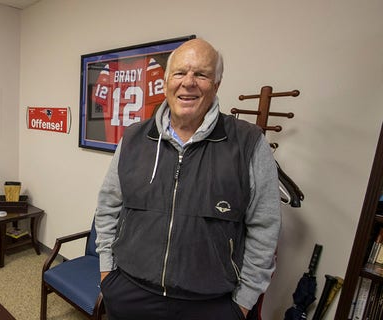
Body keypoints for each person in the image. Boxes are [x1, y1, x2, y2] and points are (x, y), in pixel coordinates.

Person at [94, 38, 281, 320]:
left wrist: (243, 303)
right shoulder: (134, 138)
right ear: (167, 80)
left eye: (201, 74)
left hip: (210, 305)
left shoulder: (249, 143)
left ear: (216, 85)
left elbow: (265, 229)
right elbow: (108, 206)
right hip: (130, 294)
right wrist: (108, 274)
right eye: (180, 73)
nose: (188, 82)